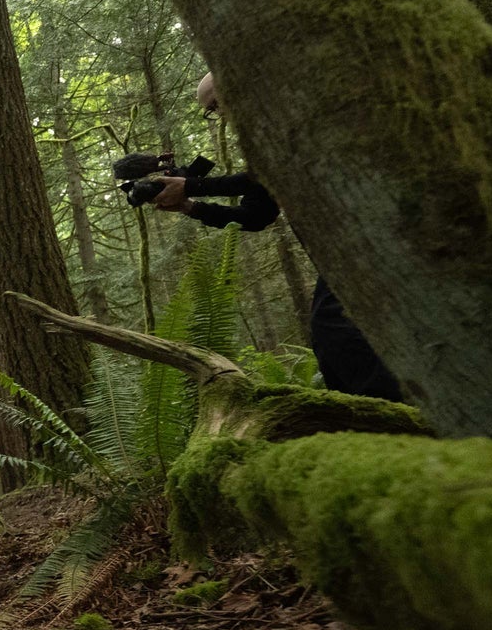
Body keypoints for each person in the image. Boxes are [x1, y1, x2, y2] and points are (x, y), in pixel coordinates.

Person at [152, 72, 403, 402]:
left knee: (335, 329)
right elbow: (256, 216)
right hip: (336, 253)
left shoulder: (288, 121)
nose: (219, 114)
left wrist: (194, 185)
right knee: (331, 339)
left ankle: (394, 415)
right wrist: (189, 207)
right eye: (211, 110)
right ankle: (373, 417)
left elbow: (273, 171)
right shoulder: (259, 146)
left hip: (368, 234)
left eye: (216, 104)